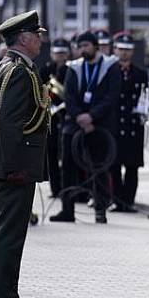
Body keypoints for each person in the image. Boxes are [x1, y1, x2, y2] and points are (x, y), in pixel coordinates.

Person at [0, 10, 49, 298]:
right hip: (14, 164)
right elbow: (9, 123)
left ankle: (4, 297)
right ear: (24, 38)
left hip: (6, 160)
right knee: (10, 232)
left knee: (5, 230)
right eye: (37, 35)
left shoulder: (6, 66)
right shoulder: (19, 72)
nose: (41, 40)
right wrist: (15, 165)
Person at [50, 31, 121, 224]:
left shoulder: (111, 67)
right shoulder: (74, 68)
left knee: (98, 166)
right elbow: (69, 96)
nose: (82, 50)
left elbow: (111, 96)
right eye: (80, 47)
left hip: (100, 123)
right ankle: (67, 209)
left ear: (96, 46)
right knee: (68, 166)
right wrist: (80, 116)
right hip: (75, 123)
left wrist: (92, 116)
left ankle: (100, 209)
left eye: (86, 46)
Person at [110, 32, 149, 213]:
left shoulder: (140, 73)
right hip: (115, 124)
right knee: (114, 165)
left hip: (133, 125)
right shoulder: (109, 71)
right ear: (114, 50)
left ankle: (129, 201)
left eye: (128, 50)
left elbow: (145, 96)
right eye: (121, 49)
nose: (124, 53)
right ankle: (117, 200)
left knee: (132, 166)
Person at [39, 38, 70, 198]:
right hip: (50, 118)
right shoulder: (45, 70)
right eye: (57, 53)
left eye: (63, 53)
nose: (60, 56)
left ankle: (67, 188)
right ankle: (55, 189)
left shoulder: (71, 70)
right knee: (51, 154)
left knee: (66, 156)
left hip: (66, 116)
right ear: (51, 53)